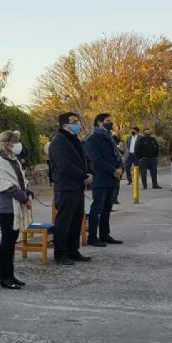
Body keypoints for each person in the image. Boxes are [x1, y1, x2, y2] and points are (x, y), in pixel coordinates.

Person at [0, 131, 34, 289]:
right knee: (7, 243)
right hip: (7, 206)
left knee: (11, 242)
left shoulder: (12, 159)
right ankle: (5, 278)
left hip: (17, 204)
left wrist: (27, 191)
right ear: (5, 144)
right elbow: (7, 185)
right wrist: (24, 199)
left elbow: (21, 178)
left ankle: (11, 275)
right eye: (13, 142)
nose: (16, 145)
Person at [48, 112, 93, 265]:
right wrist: (83, 176)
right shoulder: (58, 142)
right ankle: (61, 253)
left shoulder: (75, 140)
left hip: (77, 186)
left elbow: (84, 159)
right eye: (74, 122)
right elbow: (65, 165)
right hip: (66, 187)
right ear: (65, 125)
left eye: (78, 121)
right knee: (64, 222)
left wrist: (89, 173)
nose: (78, 124)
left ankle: (73, 250)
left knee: (76, 221)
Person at [83, 113, 123, 247]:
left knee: (107, 208)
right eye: (107, 121)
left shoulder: (109, 138)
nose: (110, 123)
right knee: (97, 209)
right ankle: (93, 237)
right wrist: (113, 170)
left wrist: (120, 168)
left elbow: (117, 156)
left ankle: (104, 234)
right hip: (100, 178)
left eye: (110, 121)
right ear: (99, 123)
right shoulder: (92, 140)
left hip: (112, 178)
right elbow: (96, 160)